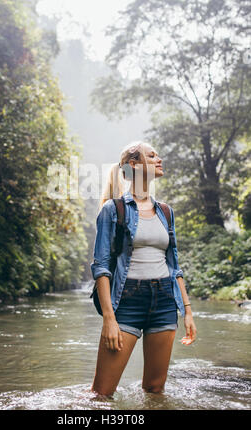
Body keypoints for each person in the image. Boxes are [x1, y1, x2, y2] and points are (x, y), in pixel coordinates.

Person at [90, 140, 197, 397]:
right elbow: (101, 267)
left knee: (155, 390)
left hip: (164, 302)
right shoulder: (112, 210)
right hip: (127, 303)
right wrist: (109, 318)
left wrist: (188, 311)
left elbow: (174, 266)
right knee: (101, 394)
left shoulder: (166, 212)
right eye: (152, 155)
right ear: (134, 165)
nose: (159, 158)